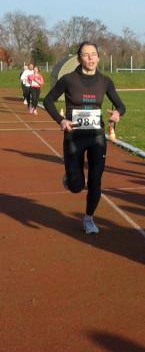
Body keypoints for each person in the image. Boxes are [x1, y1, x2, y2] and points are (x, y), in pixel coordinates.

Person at [43, 41, 126, 234]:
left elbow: (121, 106)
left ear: (99, 57)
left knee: (95, 180)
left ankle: (89, 218)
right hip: (74, 137)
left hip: (96, 137)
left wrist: (118, 114)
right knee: (76, 186)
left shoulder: (105, 81)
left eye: (93, 54)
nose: (90, 58)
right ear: (79, 58)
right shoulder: (68, 80)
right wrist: (61, 120)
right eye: (86, 54)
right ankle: (71, 179)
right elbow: (48, 101)